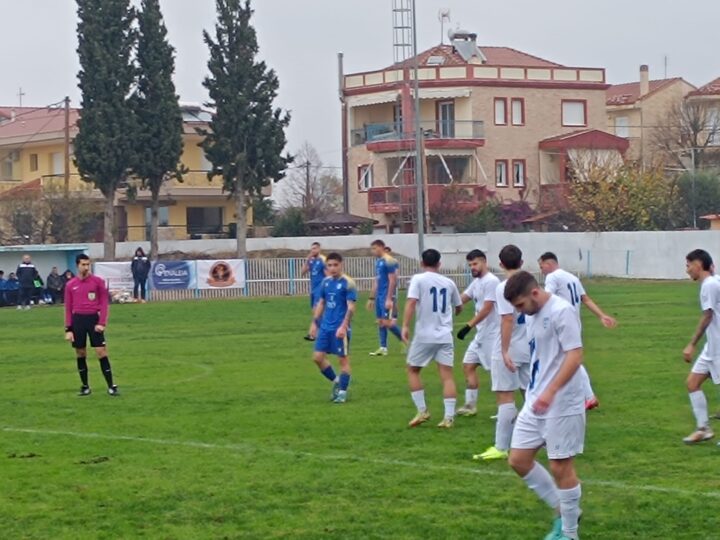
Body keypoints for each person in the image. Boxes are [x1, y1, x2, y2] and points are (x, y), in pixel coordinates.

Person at [504, 271, 585, 540]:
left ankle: (570, 534)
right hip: (535, 399)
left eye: (520, 305)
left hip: (562, 402)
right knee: (518, 459)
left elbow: (575, 355)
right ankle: (563, 508)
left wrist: (551, 391)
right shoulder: (532, 314)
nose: (519, 312)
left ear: (535, 293)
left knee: (561, 467)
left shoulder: (562, 311)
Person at [539, 252, 617, 410]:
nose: (541, 270)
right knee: (567, 359)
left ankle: (588, 396)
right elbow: (585, 298)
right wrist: (601, 315)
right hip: (575, 323)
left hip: (561, 324)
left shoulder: (552, 277)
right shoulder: (572, 277)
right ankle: (576, 395)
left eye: (541, 266)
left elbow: (547, 299)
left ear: (548, 264)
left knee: (568, 359)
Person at [476, 245, 531, 462]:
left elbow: (507, 318)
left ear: (500, 264)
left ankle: (501, 446)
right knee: (530, 395)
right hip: (530, 345)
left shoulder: (503, 287)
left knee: (505, 395)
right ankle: (540, 438)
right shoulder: (531, 284)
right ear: (522, 261)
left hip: (510, 347)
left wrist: (504, 350)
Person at [402, 249, 463, 428]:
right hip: (445, 335)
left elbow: (411, 302)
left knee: (413, 370)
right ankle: (449, 417)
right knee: (447, 376)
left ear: (422, 263)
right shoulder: (449, 282)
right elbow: (459, 307)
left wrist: (405, 325)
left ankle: (422, 410)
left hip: (424, 335)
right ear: (439, 264)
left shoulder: (418, 279)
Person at [64, 254, 118, 397]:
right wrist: (68, 329)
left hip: (93, 320)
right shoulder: (70, 285)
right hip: (78, 321)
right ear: (77, 265)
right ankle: (85, 386)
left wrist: (102, 323)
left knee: (101, 351)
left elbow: (104, 304)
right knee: (80, 353)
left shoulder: (98, 282)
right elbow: (68, 308)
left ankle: (111, 386)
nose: (86, 267)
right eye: (83, 264)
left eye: (88, 264)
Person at [681, 249, 720, 443]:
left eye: (688, 265)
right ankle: (703, 428)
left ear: (698, 264)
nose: (687, 270)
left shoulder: (710, 285)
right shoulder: (715, 281)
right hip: (712, 347)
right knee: (692, 383)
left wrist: (691, 344)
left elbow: (707, 316)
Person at [456, 249, 500, 416]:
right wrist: (448, 305)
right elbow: (463, 297)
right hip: (481, 335)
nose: (472, 268)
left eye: (475, 264)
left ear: (484, 262)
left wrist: (468, 326)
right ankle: (470, 406)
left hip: (492, 334)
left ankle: (504, 408)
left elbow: (487, 308)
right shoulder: (477, 282)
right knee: (468, 365)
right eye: (470, 265)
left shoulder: (491, 281)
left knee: (497, 372)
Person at [308, 252, 357, 403]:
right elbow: (321, 303)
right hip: (325, 328)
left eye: (335, 265)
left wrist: (344, 326)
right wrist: (315, 323)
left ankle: (342, 393)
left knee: (343, 361)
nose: (332, 268)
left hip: (339, 329)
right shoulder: (326, 282)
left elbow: (351, 307)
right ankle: (337, 381)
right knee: (317, 358)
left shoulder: (348, 283)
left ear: (341, 264)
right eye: (329, 265)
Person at [368, 239, 404, 356]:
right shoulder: (378, 262)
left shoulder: (389, 261)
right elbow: (377, 281)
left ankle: (406, 342)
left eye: (374, 248)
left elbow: (393, 280)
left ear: (381, 247)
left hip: (386, 295)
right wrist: (372, 298)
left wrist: (389, 298)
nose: (372, 251)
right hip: (379, 296)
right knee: (380, 321)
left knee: (388, 322)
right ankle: (383, 347)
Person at [302, 242, 327, 341]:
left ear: (319, 249)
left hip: (320, 290)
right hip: (313, 290)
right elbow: (302, 272)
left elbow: (328, 274)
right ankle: (324, 332)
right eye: (312, 249)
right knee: (316, 313)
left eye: (315, 248)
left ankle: (312, 334)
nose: (313, 250)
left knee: (317, 312)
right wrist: (307, 260)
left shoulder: (323, 260)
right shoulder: (312, 261)